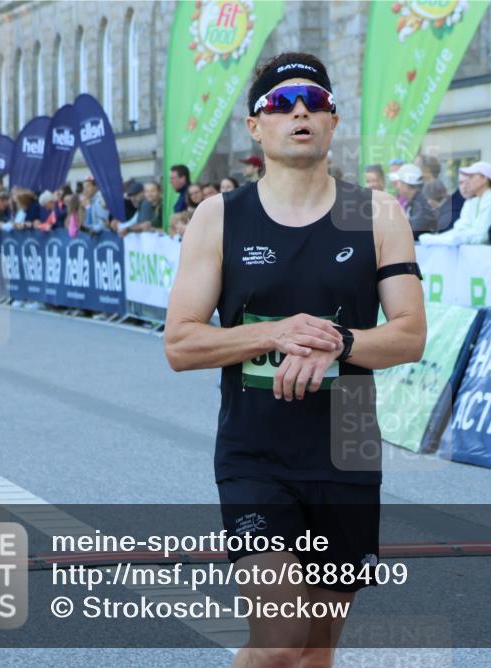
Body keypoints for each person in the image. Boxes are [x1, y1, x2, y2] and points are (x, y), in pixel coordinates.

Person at [164, 51, 426, 668]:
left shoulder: (375, 212)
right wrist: (274, 334)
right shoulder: (221, 215)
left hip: (346, 445)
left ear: (333, 121)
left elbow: (411, 336)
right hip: (257, 451)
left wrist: (341, 341)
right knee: (280, 641)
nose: (300, 112)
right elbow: (181, 344)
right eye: (281, 103)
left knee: (315, 651)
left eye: (315, 102)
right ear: (256, 127)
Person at [418, 161, 491, 246]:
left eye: (471, 177)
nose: (468, 181)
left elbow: (483, 235)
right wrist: (440, 238)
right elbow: (459, 228)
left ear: (485, 179)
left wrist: (456, 238)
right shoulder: (471, 202)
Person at [389, 163, 437, 239]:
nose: (397, 186)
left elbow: (414, 233)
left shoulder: (421, 204)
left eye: (399, 182)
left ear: (407, 184)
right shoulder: (416, 201)